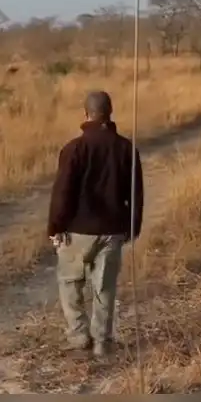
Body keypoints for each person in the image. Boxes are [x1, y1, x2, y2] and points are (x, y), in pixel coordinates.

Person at [46, 90, 144, 358]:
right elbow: (136, 195)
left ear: (86, 114)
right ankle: (102, 341)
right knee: (104, 287)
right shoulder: (126, 149)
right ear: (110, 113)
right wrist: (132, 227)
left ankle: (79, 338)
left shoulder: (74, 149)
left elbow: (62, 192)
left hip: (77, 231)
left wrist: (55, 226)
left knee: (70, 282)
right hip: (113, 230)